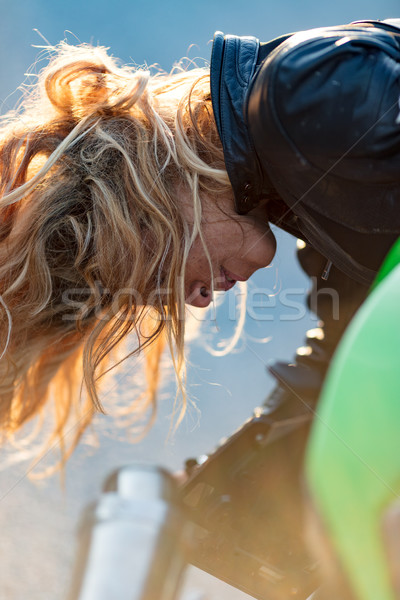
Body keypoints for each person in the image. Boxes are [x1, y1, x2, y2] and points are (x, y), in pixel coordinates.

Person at [0, 18, 399, 459]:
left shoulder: (301, 95)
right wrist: (214, 500)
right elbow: (345, 365)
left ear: (147, 202)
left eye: (153, 276)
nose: (199, 301)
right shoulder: (309, 211)